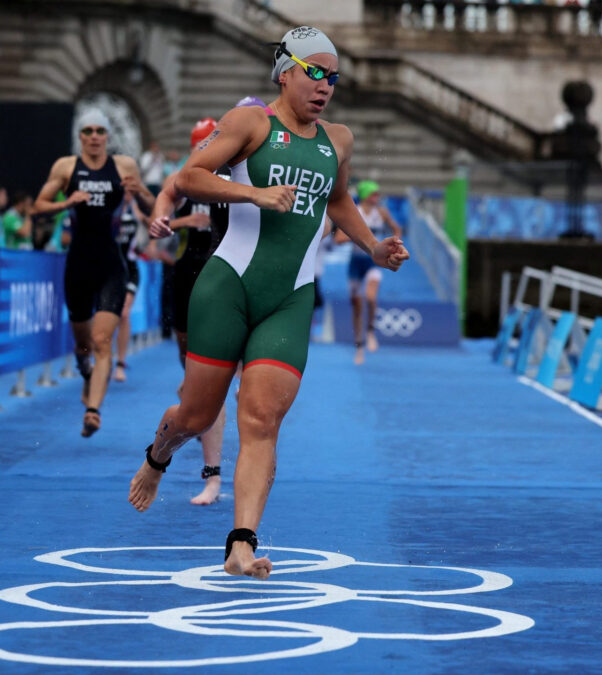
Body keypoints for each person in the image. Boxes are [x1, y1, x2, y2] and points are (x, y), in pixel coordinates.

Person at [128, 26, 409, 579]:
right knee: (198, 414)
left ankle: (240, 543)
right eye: (316, 72)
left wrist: (374, 246)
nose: (326, 85)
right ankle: (159, 453)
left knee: (261, 418)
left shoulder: (339, 140)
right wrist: (252, 193)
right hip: (227, 286)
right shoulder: (250, 123)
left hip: (290, 299)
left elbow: (339, 200)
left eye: (334, 76)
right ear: (286, 72)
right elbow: (190, 177)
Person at [33, 110, 155, 436]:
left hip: (110, 265)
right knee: (84, 344)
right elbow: (38, 206)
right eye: (88, 130)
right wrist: (65, 202)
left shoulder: (124, 166)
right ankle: (85, 371)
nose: (95, 136)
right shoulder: (66, 167)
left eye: (100, 130)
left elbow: (152, 209)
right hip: (77, 265)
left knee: (103, 341)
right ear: (81, 136)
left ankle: (93, 410)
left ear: (107, 136)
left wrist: (141, 190)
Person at [146, 116, 236, 506]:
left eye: (209, 142)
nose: (204, 149)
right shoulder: (187, 172)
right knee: (196, 386)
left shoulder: (238, 172)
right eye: (198, 143)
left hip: (229, 277)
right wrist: (171, 220)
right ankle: (204, 466)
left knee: (241, 394)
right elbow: (163, 201)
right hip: (190, 275)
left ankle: (216, 477)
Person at [334, 179, 402, 364]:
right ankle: (359, 346)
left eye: (378, 194)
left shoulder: (382, 213)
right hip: (356, 262)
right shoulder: (354, 213)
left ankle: (371, 330)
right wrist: (357, 237)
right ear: (365, 196)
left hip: (373, 262)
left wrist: (396, 244)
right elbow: (338, 239)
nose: (377, 197)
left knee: (370, 297)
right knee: (356, 304)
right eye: (373, 194)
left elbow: (397, 229)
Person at [113, 188, 146, 383]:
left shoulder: (135, 211)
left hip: (130, 271)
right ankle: (100, 356)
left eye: (129, 191)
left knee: (124, 314)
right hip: (109, 270)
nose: (126, 193)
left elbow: (149, 229)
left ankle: (120, 363)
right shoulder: (110, 209)